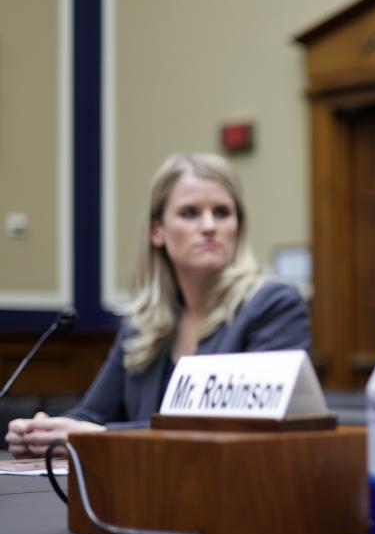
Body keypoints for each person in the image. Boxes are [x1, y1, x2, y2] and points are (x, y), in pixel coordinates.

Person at [5, 153, 310, 457]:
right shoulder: (143, 323)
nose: (209, 226)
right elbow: (92, 416)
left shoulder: (274, 307)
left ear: (238, 226)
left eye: (222, 212)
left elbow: (245, 430)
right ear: (157, 231)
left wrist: (101, 436)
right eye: (190, 213)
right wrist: (44, 432)